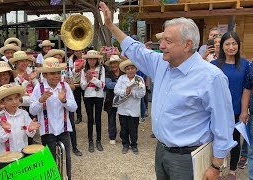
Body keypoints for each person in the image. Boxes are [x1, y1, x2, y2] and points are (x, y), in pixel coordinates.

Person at [100, 2, 236, 179]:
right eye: (162, 39)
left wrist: (215, 166)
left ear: (187, 45)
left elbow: (224, 125)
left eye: (168, 41)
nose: (161, 45)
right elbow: (135, 49)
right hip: (162, 152)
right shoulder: (161, 63)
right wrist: (110, 25)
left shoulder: (211, 77)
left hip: (188, 158)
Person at [30, 57, 77, 180]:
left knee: (67, 158)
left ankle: (67, 177)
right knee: (50, 158)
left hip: (64, 128)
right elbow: (32, 110)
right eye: (52, 73)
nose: (56, 76)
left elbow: (74, 108)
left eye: (58, 73)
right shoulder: (39, 88)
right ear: (45, 74)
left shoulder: (65, 86)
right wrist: (41, 100)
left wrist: (64, 100)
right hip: (48, 130)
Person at [211, 31, 249, 179]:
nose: (231, 47)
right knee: (217, 140)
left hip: (237, 110)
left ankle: (232, 171)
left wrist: (244, 111)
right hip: (218, 111)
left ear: (239, 46)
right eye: (227, 44)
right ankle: (218, 170)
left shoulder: (245, 65)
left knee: (234, 140)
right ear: (222, 46)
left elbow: (247, 88)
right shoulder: (214, 65)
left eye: (234, 43)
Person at [0, 84, 40, 153]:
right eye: (10, 99)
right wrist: (6, 131)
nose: (14, 102)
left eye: (16, 98)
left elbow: (29, 133)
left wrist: (30, 130)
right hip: (7, 157)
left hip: (23, 153)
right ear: (2, 102)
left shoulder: (24, 114)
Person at [114, 59, 145, 154]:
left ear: (136, 69)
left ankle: (134, 144)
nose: (130, 70)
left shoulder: (139, 79)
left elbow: (142, 93)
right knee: (124, 128)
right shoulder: (122, 78)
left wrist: (132, 93)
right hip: (123, 108)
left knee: (133, 128)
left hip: (134, 108)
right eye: (128, 69)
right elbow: (116, 90)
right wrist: (124, 92)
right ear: (125, 70)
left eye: (132, 68)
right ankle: (125, 144)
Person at [81, 50, 105, 152]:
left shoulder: (101, 69)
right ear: (87, 59)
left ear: (97, 59)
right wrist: (87, 80)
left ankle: (98, 140)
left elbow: (102, 85)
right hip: (88, 96)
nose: (92, 61)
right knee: (90, 119)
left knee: (98, 118)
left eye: (94, 59)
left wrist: (93, 79)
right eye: (90, 59)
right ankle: (90, 141)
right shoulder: (83, 70)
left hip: (99, 96)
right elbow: (82, 86)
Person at [104, 55, 123, 145]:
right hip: (110, 99)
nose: (113, 65)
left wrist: (115, 83)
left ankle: (124, 136)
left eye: (115, 63)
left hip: (123, 99)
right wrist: (120, 84)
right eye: (111, 64)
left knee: (123, 118)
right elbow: (108, 85)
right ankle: (112, 136)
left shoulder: (123, 73)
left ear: (119, 63)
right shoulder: (108, 73)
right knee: (111, 118)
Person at [68, 50, 85, 124]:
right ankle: (79, 117)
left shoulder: (86, 59)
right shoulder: (72, 60)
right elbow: (71, 72)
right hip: (76, 83)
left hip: (85, 82)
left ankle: (91, 117)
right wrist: (78, 68)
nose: (78, 53)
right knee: (77, 100)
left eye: (79, 51)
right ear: (74, 53)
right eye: (76, 51)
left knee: (87, 100)